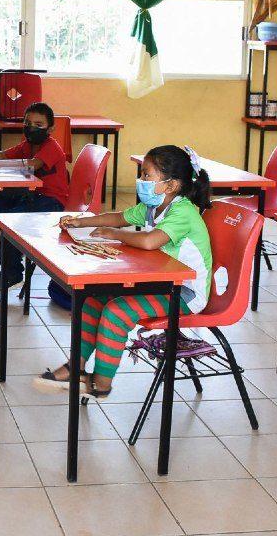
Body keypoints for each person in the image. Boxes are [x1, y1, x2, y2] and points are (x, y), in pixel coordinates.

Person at [39, 145, 213, 400]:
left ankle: (100, 383)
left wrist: (113, 235)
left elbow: (148, 241)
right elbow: (119, 217)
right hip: (161, 281)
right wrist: (80, 221)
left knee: (116, 311)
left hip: (186, 292)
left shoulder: (182, 210)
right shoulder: (154, 206)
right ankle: (75, 367)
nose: (140, 181)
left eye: (147, 176)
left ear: (171, 185)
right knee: (92, 299)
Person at [0, 102, 70, 292]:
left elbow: (33, 165)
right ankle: (14, 253)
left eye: (38, 124)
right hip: (31, 195)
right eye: (28, 122)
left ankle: (13, 273)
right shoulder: (28, 145)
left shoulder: (52, 146)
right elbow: (4, 154)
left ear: (50, 128)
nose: (32, 127)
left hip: (52, 201)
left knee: (12, 221)